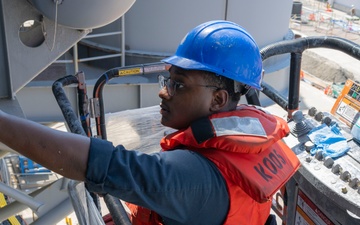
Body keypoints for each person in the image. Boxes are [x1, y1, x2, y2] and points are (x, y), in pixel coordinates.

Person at [0, 20, 299, 225]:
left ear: (218, 100)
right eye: (167, 80)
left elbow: (97, 163)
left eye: (178, 85)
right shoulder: (250, 148)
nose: (163, 91)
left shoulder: (194, 178)